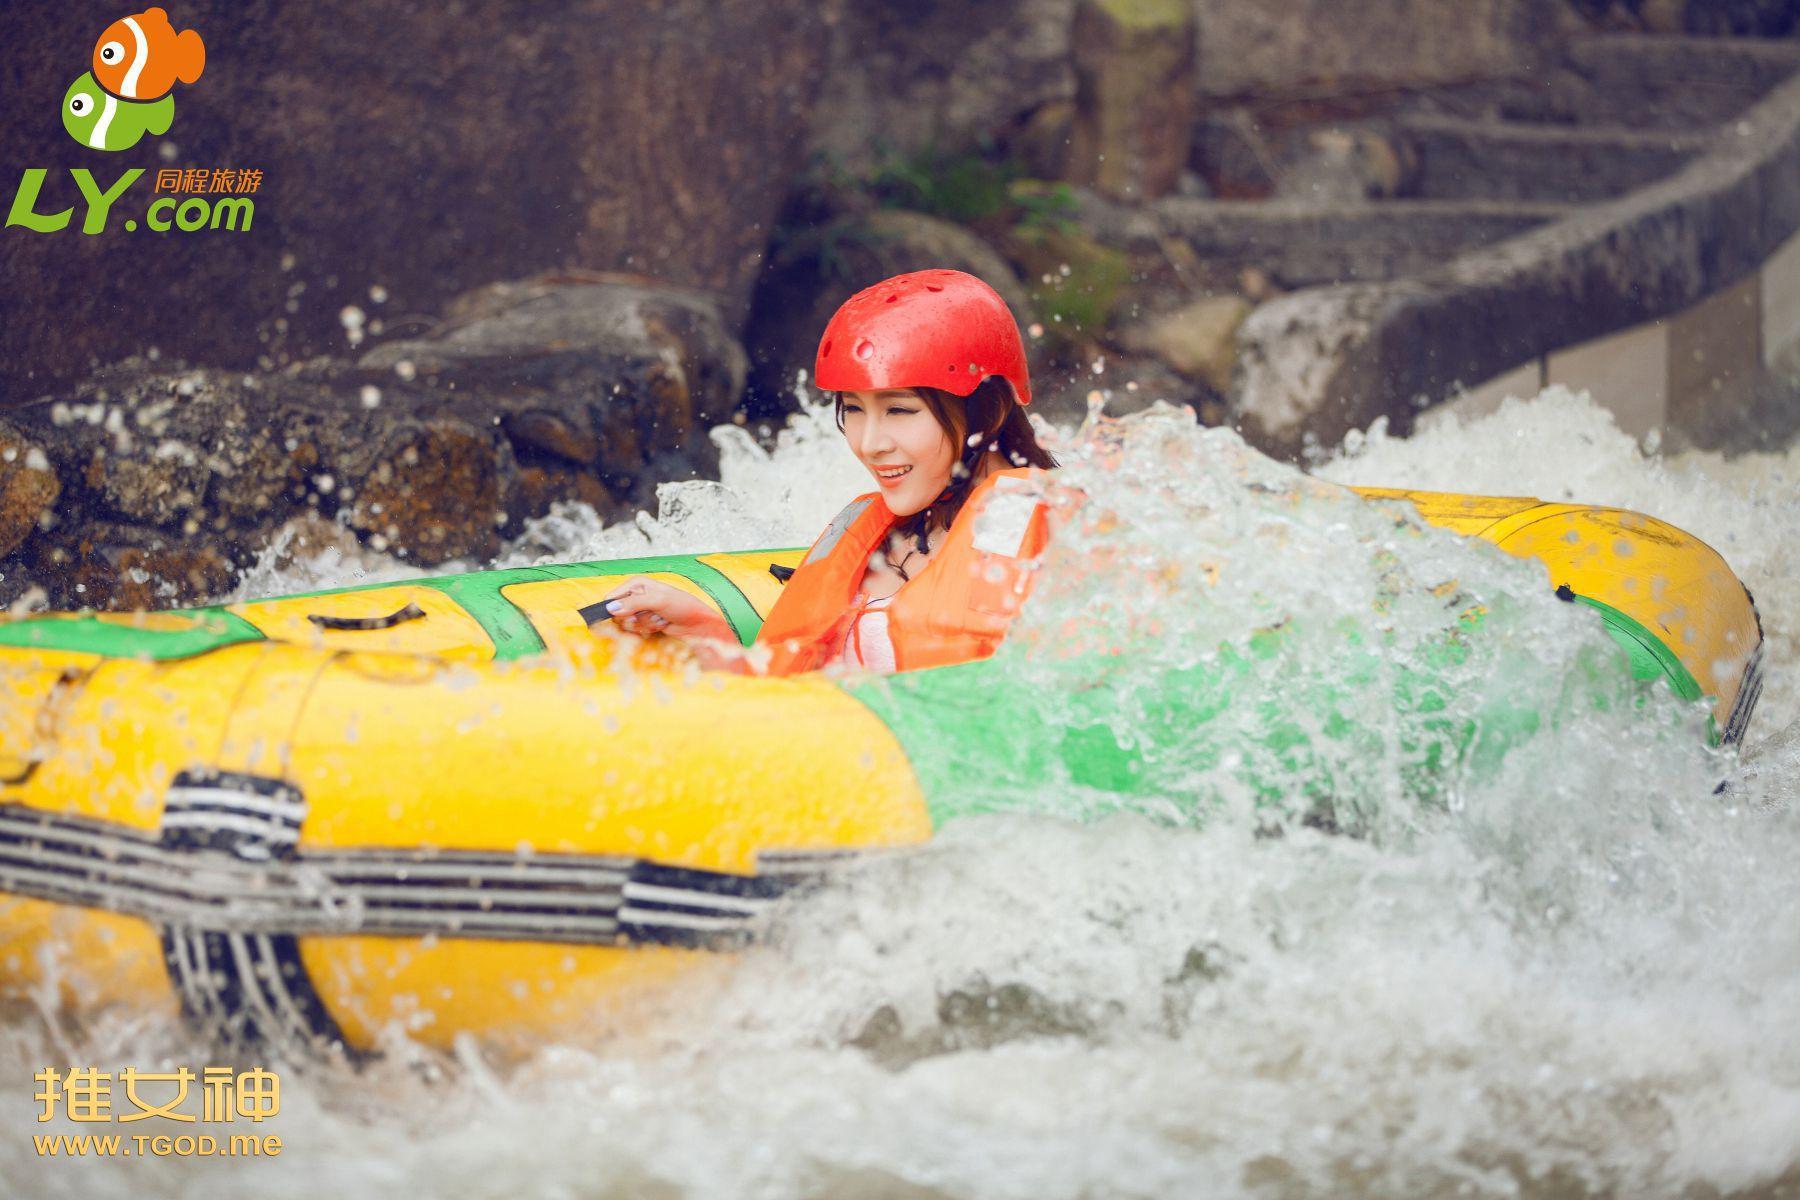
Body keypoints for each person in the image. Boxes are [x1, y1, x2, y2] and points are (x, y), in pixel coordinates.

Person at [597, 268, 1062, 676]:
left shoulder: (1058, 543)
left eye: (900, 410)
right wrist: (708, 632)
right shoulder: (874, 535)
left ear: (991, 410)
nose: (869, 443)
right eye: (854, 409)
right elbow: (796, 686)